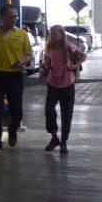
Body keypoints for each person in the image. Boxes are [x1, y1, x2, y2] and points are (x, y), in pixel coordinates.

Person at [0, 4, 33, 153]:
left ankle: (12, 129)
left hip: (15, 75)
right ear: (2, 17)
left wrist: (22, 61)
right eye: (11, 16)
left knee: (17, 111)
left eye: (16, 16)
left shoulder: (21, 34)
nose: (14, 19)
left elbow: (29, 54)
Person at [40, 24, 85, 154]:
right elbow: (46, 62)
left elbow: (83, 56)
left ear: (61, 34)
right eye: (51, 34)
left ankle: (63, 141)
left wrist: (75, 65)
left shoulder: (69, 47)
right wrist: (44, 69)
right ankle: (54, 137)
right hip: (53, 83)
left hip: (67, 84)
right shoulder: (49, 47)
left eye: (55, 34)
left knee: (67, 114)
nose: (52, 36)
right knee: (49, 110)